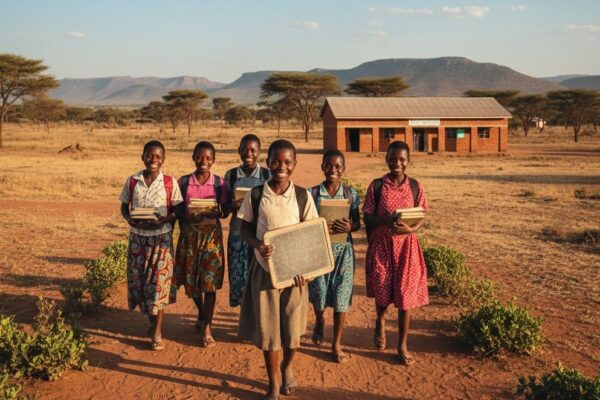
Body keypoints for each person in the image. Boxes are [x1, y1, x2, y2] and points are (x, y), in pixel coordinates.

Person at [237, 139, 318, 400]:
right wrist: (258, 245)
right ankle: (273, 381)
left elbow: (313, 234)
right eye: (275, 161)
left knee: (293, 332)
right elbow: (244, 228)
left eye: (286, 162)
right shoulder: (257, 194)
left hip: (296, 275)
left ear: (294, 164)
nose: (280, 166)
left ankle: (287, 365)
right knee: (270, 331)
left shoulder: (303, 196)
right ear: (267, 162)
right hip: (265, 272)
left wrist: (308, 270)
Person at [362, 140, 429, 366]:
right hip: (382, 245)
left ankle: (402, 345)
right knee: (382, 288)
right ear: (386, 159)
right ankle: (380, 321)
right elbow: (367, 217)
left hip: (407, 248)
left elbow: (421, 216)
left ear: (408, 161)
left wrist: (410, 229)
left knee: (405, 295)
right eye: (392, 158)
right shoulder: (377, 186)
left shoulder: (415, 187)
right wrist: (386, 220)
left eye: (401, 159)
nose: (396, 163)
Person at [119, 140, 183, 351]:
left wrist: (164, 221)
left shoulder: (169, 182)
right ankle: (150, 319)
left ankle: (157, 333)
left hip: (161, 240)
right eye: (149, 155)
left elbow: (178, 209)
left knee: (159, 284)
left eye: (158, 157)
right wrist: (130, 220)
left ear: (163, 159)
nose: (153, 160)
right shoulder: (132, 181)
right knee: (141, 282)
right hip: (138, 240)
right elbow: (124, 206)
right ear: (143, 156)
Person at [175, 141, 229, 348]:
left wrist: (217, 213)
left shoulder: (219, 183)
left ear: (213, 160)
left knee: (210, 282)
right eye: (199, 157)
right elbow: (177, 209)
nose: (203, 161)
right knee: (192, 282)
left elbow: (225, 210)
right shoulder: (184, 182)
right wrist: (189, 215)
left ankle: (207, 326)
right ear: (193, 157)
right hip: (190, 235)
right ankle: (202, 312)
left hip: (211, 238)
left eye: (208, 158)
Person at [308, 149, 360, 363]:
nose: (333, 170)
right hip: (320, 252)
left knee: (341, 296)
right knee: (319, 294)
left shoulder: (351, 194)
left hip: (343, 253)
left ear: (343, 169)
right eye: (328, 165)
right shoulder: (312, 193)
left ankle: (336, 343)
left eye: (338, 166)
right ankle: (320, 320)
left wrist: (350, 226)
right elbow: (305, 222)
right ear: (322, 167)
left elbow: (357, 223)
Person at [223, 133, 270, 308]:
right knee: (239, 277)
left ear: (259, 152)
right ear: (239, 151)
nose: (248, 153)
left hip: (260, 235)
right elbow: (224, 208)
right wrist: (233, 205)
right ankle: (246, 320)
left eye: (253, 150)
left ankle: (259, 321)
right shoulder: (232, 175)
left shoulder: (267, 175)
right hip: (237, 235)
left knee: (260, 276)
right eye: (244, 149)